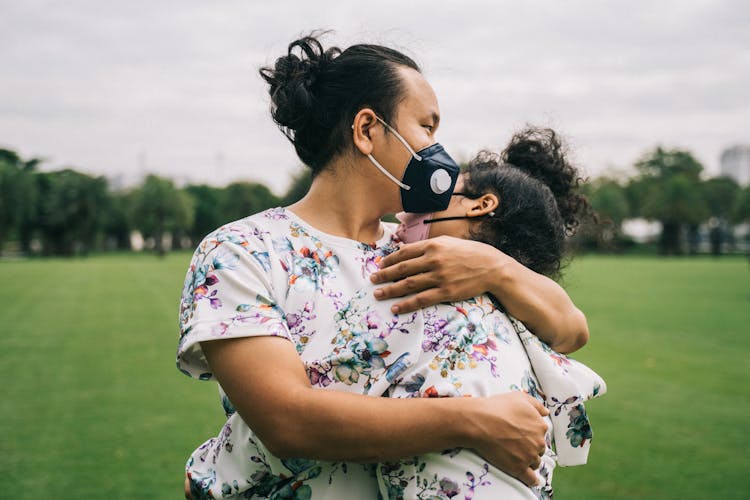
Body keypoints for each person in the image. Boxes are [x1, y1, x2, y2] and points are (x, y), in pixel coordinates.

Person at [177, 34, 589, 499]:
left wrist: (495, 267)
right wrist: (472, 420)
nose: (438, 150)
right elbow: (286, 422)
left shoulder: (429, 249)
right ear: (368, 130)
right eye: (427, 127)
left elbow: (570, 329)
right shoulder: (243, 250)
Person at [367, 127, 605, 500]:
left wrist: (494, 266)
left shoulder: (492, 305)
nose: (403, 211)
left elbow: (574, 329)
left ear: (480, 205)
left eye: (438, 192)